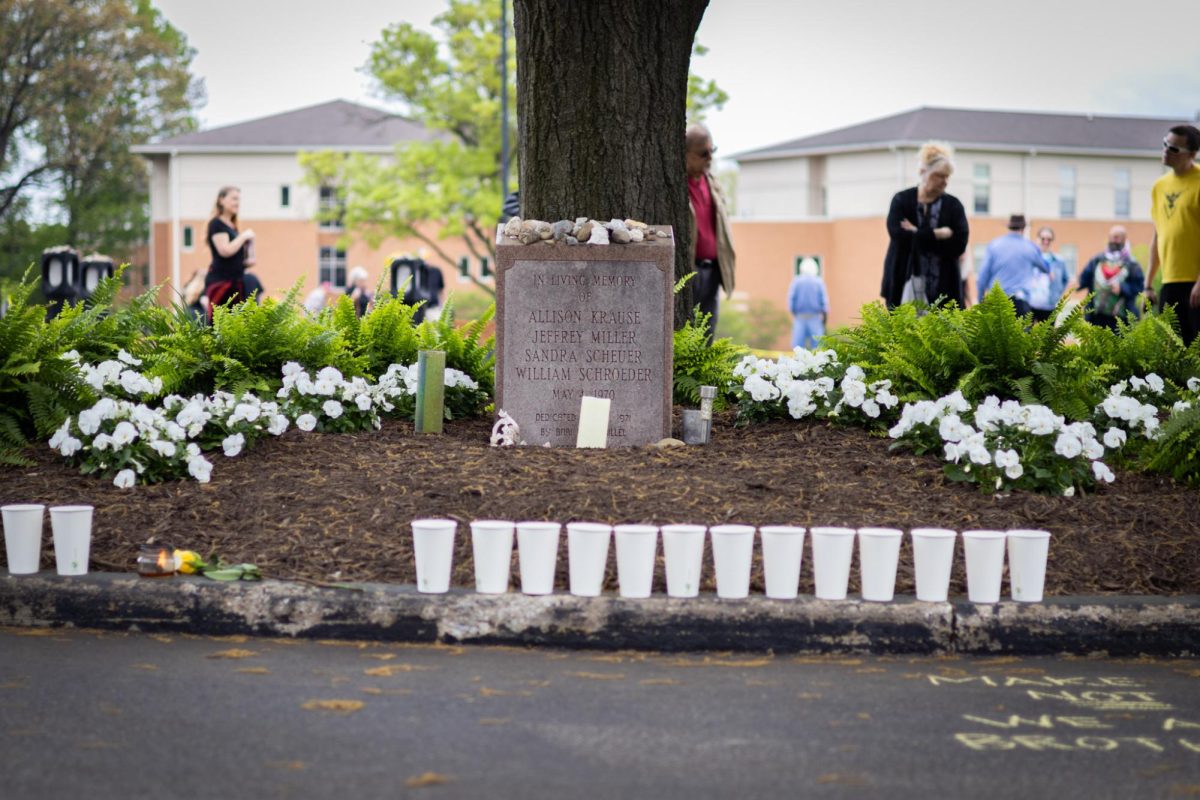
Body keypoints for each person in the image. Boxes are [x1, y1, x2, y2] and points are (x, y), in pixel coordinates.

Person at [880, 142, 968, 310]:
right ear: (923, 172)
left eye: (947, 176)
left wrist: (916, 233)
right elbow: (898, 235)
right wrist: (937, 234)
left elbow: (959, 244)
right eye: (939, 176)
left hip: (944, 289)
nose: (945, 181)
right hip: (903, 285)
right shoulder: (901, 200)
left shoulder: (954, 205)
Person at [1146, 124, 1200, 345]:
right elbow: (1158, 234)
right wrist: (1148, 284)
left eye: (1174, 149)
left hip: (1195, 284)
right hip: (1170, 283)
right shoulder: (1159, 186)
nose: (1167, 150)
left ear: (1192, 154)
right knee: (1173, 356)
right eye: (1165, 144)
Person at [686, 123, 736, 341]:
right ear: (685, 153)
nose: (709, 158)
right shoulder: (675, 186)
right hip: (688, 271)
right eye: (703, 153)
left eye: (712, 151)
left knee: (707, 335)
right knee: (685, 332)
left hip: (713, 271)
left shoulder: (712, 183)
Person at [203, 186, 255, 322]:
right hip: (221, 283)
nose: (237, 203)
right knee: (220, 323)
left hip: (237, 282)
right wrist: (243, 237)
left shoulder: (233, 227)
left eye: (238, 199)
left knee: (236, 325)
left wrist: (250, 244)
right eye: (233, 198)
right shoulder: (216, 224)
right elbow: (225, 250)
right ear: (221, 200)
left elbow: (248, 261)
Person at [1078, 225, 1144, 330]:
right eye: (1111, 237)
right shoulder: (1097, 260)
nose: (1113, 240)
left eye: (1117, 237)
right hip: (1097, 316)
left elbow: (1139, 287)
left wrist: (1122, 288)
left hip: (1121, 320)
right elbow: (1083, 279)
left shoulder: (1132, 264)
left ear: (1124, 239)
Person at [976, 214, 1042, 316]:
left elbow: (982, 277)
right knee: (1021, 331)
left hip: (996, 301)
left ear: (1009, 227)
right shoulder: (1030, 247)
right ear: (1024, 228)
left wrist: (981, 301)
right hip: (1021, 302)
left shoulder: (994, 244)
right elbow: (1044, 267)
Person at [1028, 226, 1072, 323]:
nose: (1046, 241)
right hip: (1030, 304)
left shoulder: (1059, 261)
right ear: (1037, 239)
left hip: (1049, 306)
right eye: (1043, 238)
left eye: (1049, 239)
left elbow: (1065, 279)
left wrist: (1057, 294)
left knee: (1047, 337)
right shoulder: (1030, 259)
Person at [787, 257, 829, 349]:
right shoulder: (819, 282)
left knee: (798, 348)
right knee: (818, 347)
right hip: (815, 318)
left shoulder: (796, 281)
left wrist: (795, 313)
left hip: (800, 318)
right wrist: (825, 318)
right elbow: (824, 302)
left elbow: (791, 301)